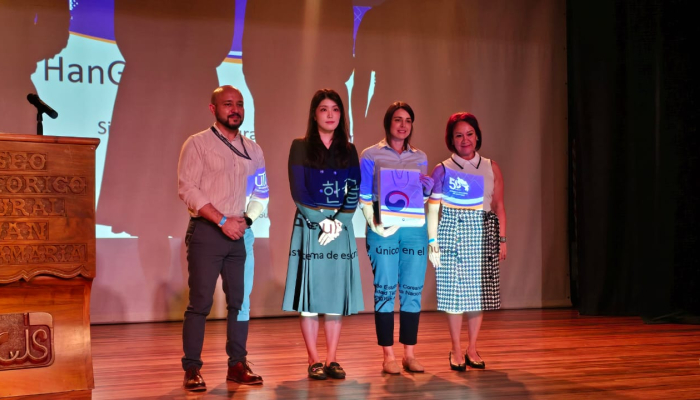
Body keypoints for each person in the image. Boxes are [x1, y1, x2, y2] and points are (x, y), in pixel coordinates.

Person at [177, 85, 269, 391]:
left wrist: (247, 220)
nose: (235, 110)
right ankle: (192, 368)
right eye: (228, 104)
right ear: (213, 108)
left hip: (239, 232)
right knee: (200, 303)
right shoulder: (198, 143)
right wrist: (222, 220)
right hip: (207, 231)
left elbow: (261, 192)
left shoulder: (254, 149)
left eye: (239, 104)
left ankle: (237, 365)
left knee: (239, 303)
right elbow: (188, 188)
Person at [282, 89, 363, 380]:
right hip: (310, 224)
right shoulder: (300, 146)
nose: (330, 115)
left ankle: (332, 359)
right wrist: (321, 221)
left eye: (335, 109)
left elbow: (354, 189)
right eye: (324, 109)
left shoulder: (349, 150)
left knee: (334, 296)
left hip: (340, 227)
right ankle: (313, 359)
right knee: (310, 296)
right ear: (314, 114)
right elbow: (298, 189)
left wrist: (339, 222)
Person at [426, 112, 507, 371]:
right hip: (451, 232)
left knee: (476, 296)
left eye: (469, 134)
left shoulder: (491, 166)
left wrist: (502, 240)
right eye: (459, 135)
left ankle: (472, 348)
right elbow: (432, 208)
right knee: (453, 295)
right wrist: (432, 240)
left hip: (482, 233)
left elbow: (498, 206)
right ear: (451, 139)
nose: (465, 140)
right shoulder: (442, 168)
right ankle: (456, 349)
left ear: (477, 136)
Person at [359, 101, 434, 374]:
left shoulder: (420, 156)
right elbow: (364, 195)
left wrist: (426, 191)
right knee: (385, 290)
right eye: (398, 119)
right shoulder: (370, 154)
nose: (403, 125)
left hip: (415, 229)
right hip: (383, 227)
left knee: (413, 290)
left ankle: (409, 354)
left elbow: (418, 198)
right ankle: (388, 355)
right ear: (388, 123)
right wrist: (374, 224)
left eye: (408, 120)